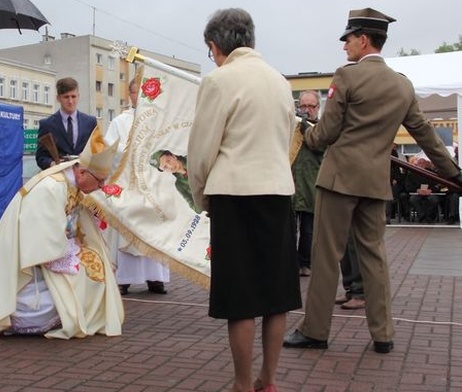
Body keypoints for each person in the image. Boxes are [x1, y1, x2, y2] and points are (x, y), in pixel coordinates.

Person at [283, 8, 462, 355]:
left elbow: (326, 134)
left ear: (363, 39)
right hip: (375, 183)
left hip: (338, 180)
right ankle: (383, 334)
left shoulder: (346, 78)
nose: (344, 46)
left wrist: (307, 131)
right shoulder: (402, 85)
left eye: (348, 38)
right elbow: (424, 134)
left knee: (325, 256)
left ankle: (315, 329)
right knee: (375, 258)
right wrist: (453, 172)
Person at [188, 9, 301, 392]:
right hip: (277, 191)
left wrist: (201, 195)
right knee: (275, 294)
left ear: (215, 46)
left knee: (240, 297)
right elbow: (288, 140)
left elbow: (202, 149)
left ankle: (240, 383)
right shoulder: (280, 82)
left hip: (233, 194)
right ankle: (267, 380)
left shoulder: (219, 80)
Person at [0, 127, 124, 339]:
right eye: (99, 181)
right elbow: (42, 237)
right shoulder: (51, 188)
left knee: (92, 268)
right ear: (82, 172)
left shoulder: (72, 183)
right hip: (28, 252)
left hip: (47, 248)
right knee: (58, 293)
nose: (101, 186)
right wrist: (73, 251)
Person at [104, 78, 169, 295]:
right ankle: (124, 278)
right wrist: (131, 151)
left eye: (142, 93)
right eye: (134, 93)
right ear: (129, 94)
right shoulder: (119, 122)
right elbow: (109, 150)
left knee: (153, 231)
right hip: (127, 186)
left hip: (151, 185)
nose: (138, 97)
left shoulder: (157, 120)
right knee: (126, 230)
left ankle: (155, 278)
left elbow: (164, 148)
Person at [291, 90, 323, 277]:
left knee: (309, 230)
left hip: (312, 184)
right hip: (292, 184)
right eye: (303, 106)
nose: (306, 109)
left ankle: (306, 263)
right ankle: (291, 263)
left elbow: (321, 147)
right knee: (290, 229)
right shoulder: (292, 127)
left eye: (311, 106)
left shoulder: (321, 128)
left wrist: (306, 128)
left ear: (318, 108)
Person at [36, 77, 97, 170]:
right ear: (58, 98)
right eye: (66, 97)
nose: (70, 101)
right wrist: (52, 164)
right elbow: (41, 157)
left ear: (78, 96)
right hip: (59, 178)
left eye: (73, 96)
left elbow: (97, 151)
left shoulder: (90, 122)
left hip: (84, 176)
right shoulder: (47, 124)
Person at [150, 150, 202, 214]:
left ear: (173, 156)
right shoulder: (180, 185)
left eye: (168, 161)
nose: (170, 166)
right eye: (165, 167)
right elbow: (197, 209)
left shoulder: (195, 157)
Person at [404, 157, 442, 223]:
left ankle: (429, 216)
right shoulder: (411, 174)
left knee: (434, 200)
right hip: (417, 193)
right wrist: (417, 190)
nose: (421, 165)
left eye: (423, 163)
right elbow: (408, 186)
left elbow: (437, 185)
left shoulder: (432, 173)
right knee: (413, 199)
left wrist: (431, 190)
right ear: (417, 164)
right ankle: (422, 215)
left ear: (426, 165)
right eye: (420, 163)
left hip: (430, 193)